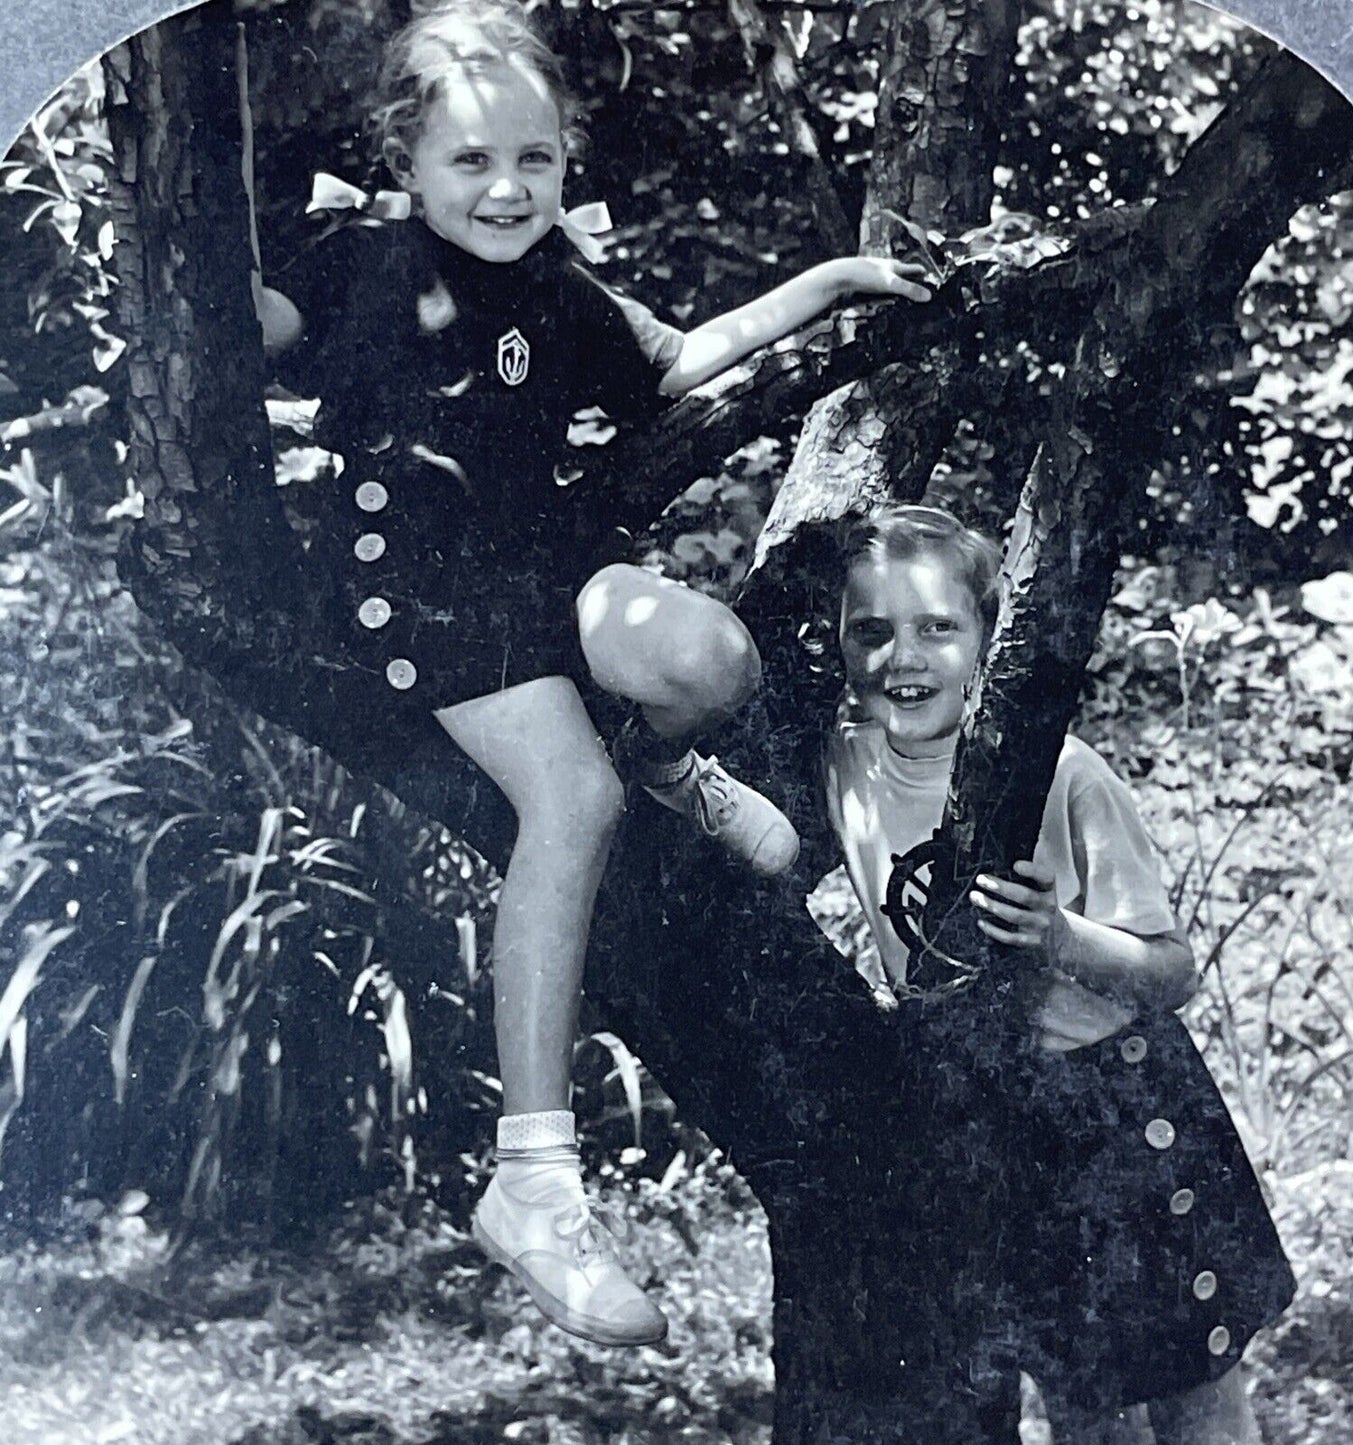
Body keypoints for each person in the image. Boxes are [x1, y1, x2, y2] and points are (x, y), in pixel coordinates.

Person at [252, 0, 930, 1349]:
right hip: (423, 596)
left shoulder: (561, 285)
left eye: (535, 162)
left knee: (713, 655)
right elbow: (233, 322)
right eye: (469, 163)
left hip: (549, 588)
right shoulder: (354, 265)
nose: (506, 191)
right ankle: (535, 1184)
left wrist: (842, 282)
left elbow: (685, 358)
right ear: (404, 159)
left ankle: (672, 761)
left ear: (565, 162)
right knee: (570, 799)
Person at [824, 505, 1296, 1443]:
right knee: (1081, 1395)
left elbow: (1170, 973)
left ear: (988, 637)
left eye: (936, 628)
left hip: (1120, 1108)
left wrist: (1057, 936)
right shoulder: (843, 763)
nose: (901, 658)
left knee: (1194, 1382)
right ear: (834, 642)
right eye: (870, 631)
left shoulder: (1063, 774)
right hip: (998, 1123)